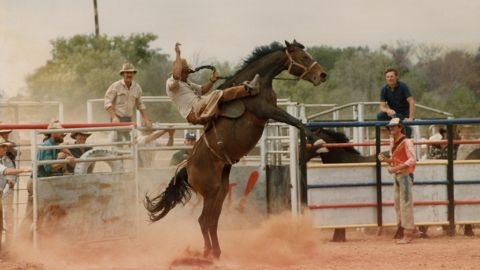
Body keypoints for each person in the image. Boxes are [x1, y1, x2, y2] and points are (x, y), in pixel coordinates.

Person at [166, 42, 260, 124]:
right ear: (181, 71)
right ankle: (248, 89)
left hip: (198, 108)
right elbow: (177, 75)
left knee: (219, 95)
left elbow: (202, 90)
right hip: (193, 112)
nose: (188, 74)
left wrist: (212, 81)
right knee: (217, 94)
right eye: (186, 72)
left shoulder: (187, 82)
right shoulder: (171, 83)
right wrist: (178, 54)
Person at [378, 118, 419, 244]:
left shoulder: (407, 142)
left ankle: (408, 233)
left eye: (394, 127)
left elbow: (413, 159)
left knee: (404, 204)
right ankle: (408, 229)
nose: (391, 129)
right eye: (391, 127)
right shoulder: (394, 142)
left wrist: (395, 167)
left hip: (404, 175)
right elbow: (396, 159)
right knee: (399, 204)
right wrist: (386, 160)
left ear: (400, 128)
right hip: (399, 175)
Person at [104, 63, 152, 141]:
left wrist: (146, 119)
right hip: (117, 119)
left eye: (131, 72)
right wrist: (114, 117)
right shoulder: (116, 86)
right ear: (123, 74)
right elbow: (107, 102)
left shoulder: (137, 87)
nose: (129, 75)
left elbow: (140, 104)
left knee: (132, 142)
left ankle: (132, 152)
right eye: (127, 72)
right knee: (118, 143)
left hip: (128, 119)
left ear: (133, 74)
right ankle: (118, 151)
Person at [0, 137, 32, 249]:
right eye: (2, 146)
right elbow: (6, 171)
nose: (5, 149)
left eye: (5, 146)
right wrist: (24, 170)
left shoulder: (5, 159)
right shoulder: (4, 161)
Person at [377, 67, 415, 138]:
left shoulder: (403, 86)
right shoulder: (384, 89)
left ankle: (406, 132)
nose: (389, 79)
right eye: (387, 77)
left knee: (397, 119)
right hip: (394, 114)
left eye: (391, 76)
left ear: (396, 77)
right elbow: (381, 106)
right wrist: (388, 110)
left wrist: (411, 118)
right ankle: (392, 132)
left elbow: (411, 101)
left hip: (404, 114)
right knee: (380, 116)